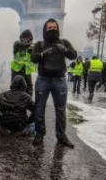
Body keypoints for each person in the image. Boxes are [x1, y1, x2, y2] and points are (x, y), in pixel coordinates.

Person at [30, 18, 77, 147]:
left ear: (57, 29)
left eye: (54, 28)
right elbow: (33, 58)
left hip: (59, 79)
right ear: (45, 29)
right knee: (39, 108)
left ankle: (61, 136)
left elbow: (74, 55)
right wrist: (42, 54)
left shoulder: (64, 42)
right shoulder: (39, 44)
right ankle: (39, 134)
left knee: (61, 110)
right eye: (49, 28)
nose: (52, 30)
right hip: (43, 79)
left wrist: (65, 50)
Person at [10, 29, 36, 96]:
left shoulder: (32, 46)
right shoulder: (16, 44)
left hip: (26, 70)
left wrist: (31, 47)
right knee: (14, 88)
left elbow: (34, 52)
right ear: (21, 38)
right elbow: (19, 44)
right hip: (16, 70)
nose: (25, 39)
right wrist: (27, 44)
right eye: (23, 37)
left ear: (30, 39)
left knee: (29, 89)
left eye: (27, 38)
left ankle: (28, 102)